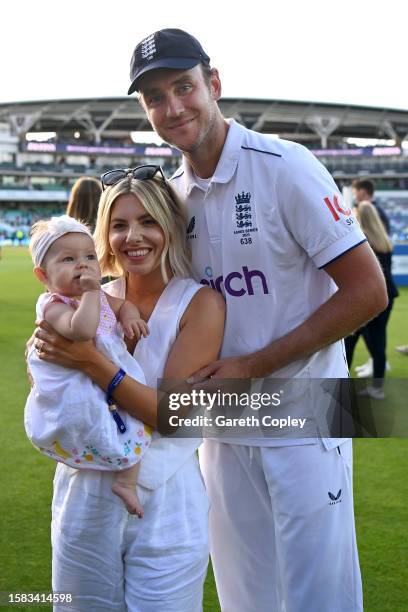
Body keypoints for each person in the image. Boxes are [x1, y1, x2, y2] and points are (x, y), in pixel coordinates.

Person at [126, 28, 388, 612]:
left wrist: (254, 364)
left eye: (184, 87)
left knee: (319, 597)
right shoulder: (170, 198)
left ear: (213, 84)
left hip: (305, 409)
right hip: (219, 423)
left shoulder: (285, 165)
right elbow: (155, 301)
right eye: (155, 99)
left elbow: (369, 291)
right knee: (246, 598)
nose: (173, 108)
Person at [32, 166, 225, 611]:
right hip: (85, 490)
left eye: (148, 221)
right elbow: (46, 377)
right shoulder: (85, 298)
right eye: (119, 225)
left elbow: (171, 415)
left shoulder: (200, 303)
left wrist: (91, 364)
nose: (133, 237)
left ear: (170, 227)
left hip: (166, 498)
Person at [26, 214, 150, 516]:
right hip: (78, 380)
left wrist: (130, 315)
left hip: (104, 371)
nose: (82, 265)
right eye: (68, 259)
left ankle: (126, 481)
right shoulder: (55, 305)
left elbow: (122, 306)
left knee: (136, 422)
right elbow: (80, 330)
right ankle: (89, 452)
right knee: (92, 416)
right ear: (43, 276)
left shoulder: (102, 297)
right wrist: (93, 293)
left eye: (89, 256)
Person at [345, 202, 398, 399]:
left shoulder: (362, 240)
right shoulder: (385, 240)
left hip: (365, 299)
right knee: (378, 343)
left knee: (349, 341)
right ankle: (377, 388)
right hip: (386, 296)